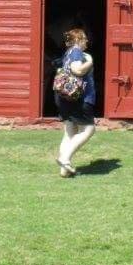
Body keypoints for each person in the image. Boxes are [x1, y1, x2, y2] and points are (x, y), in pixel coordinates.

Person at [55, 27, 96, 177]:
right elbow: (77, 70)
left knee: (69, 131)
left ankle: (64, 170)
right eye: (84, 38)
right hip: (80, 98)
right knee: (89, 129)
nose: (87, 41)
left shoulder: (67, 53)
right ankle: (64, 158)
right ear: (78, 40)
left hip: (65, 97)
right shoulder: (77, 51)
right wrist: (90, 61)